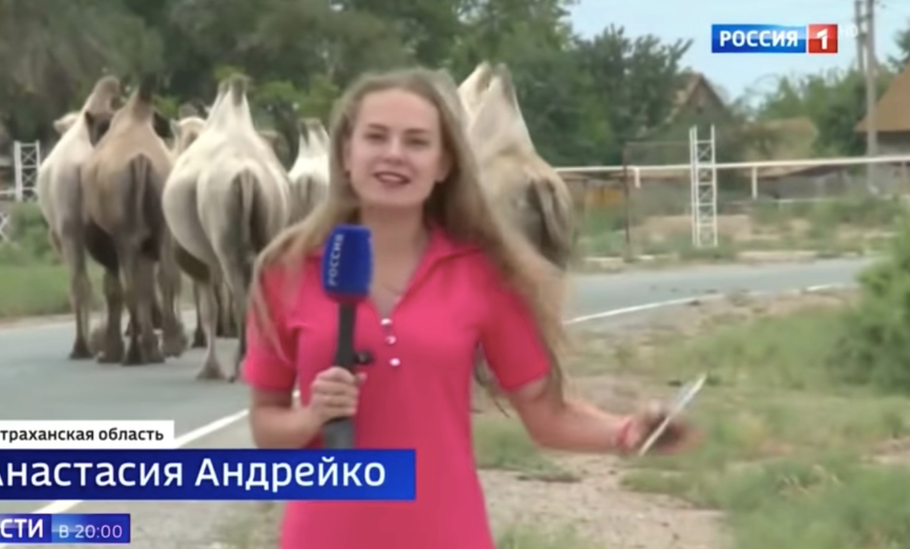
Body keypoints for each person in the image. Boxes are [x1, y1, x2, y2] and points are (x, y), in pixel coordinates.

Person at [241, 67, 698, 549]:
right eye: (376, 136)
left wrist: (629, 432)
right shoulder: (285, 270)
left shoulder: (483, 274)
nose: (394, 153)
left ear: (444, 165)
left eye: (417, 141)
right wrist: (312, 415)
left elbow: (548, 415)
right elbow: (267, 428)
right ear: (346, 155)